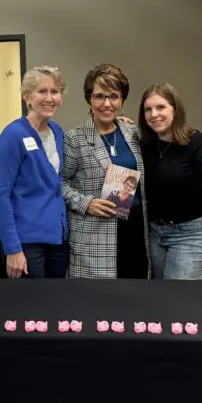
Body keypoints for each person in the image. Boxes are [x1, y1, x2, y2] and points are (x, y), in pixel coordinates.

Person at [139, 82, 202, 279]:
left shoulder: (199, 145)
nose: (154, 114)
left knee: (177, 298)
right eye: (147, 109)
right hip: (153, 233)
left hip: (190, 234)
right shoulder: (146, 146)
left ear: (175, 110)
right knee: (157, 295)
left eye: (161, 107)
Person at [62, 64, 150, 278]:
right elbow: (58, 183)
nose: (107, 103)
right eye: (99, 96)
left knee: (136, 300)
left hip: (136, 232)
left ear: (122, 100)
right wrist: (86, 203)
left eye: (114, 96)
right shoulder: (75, 139)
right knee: (98, 306)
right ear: (89, 99)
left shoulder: (132, 132)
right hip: (95, 239)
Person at [0, 66, 68, 279]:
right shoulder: (12, 135)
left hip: (57, 239)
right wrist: (13, 249)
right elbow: (0, 196)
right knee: (33, 307)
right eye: (42, 91)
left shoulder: (57, 132)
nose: (50, 98)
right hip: (27, 243)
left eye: (55, 91)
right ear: (27, 97)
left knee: (56, 304)